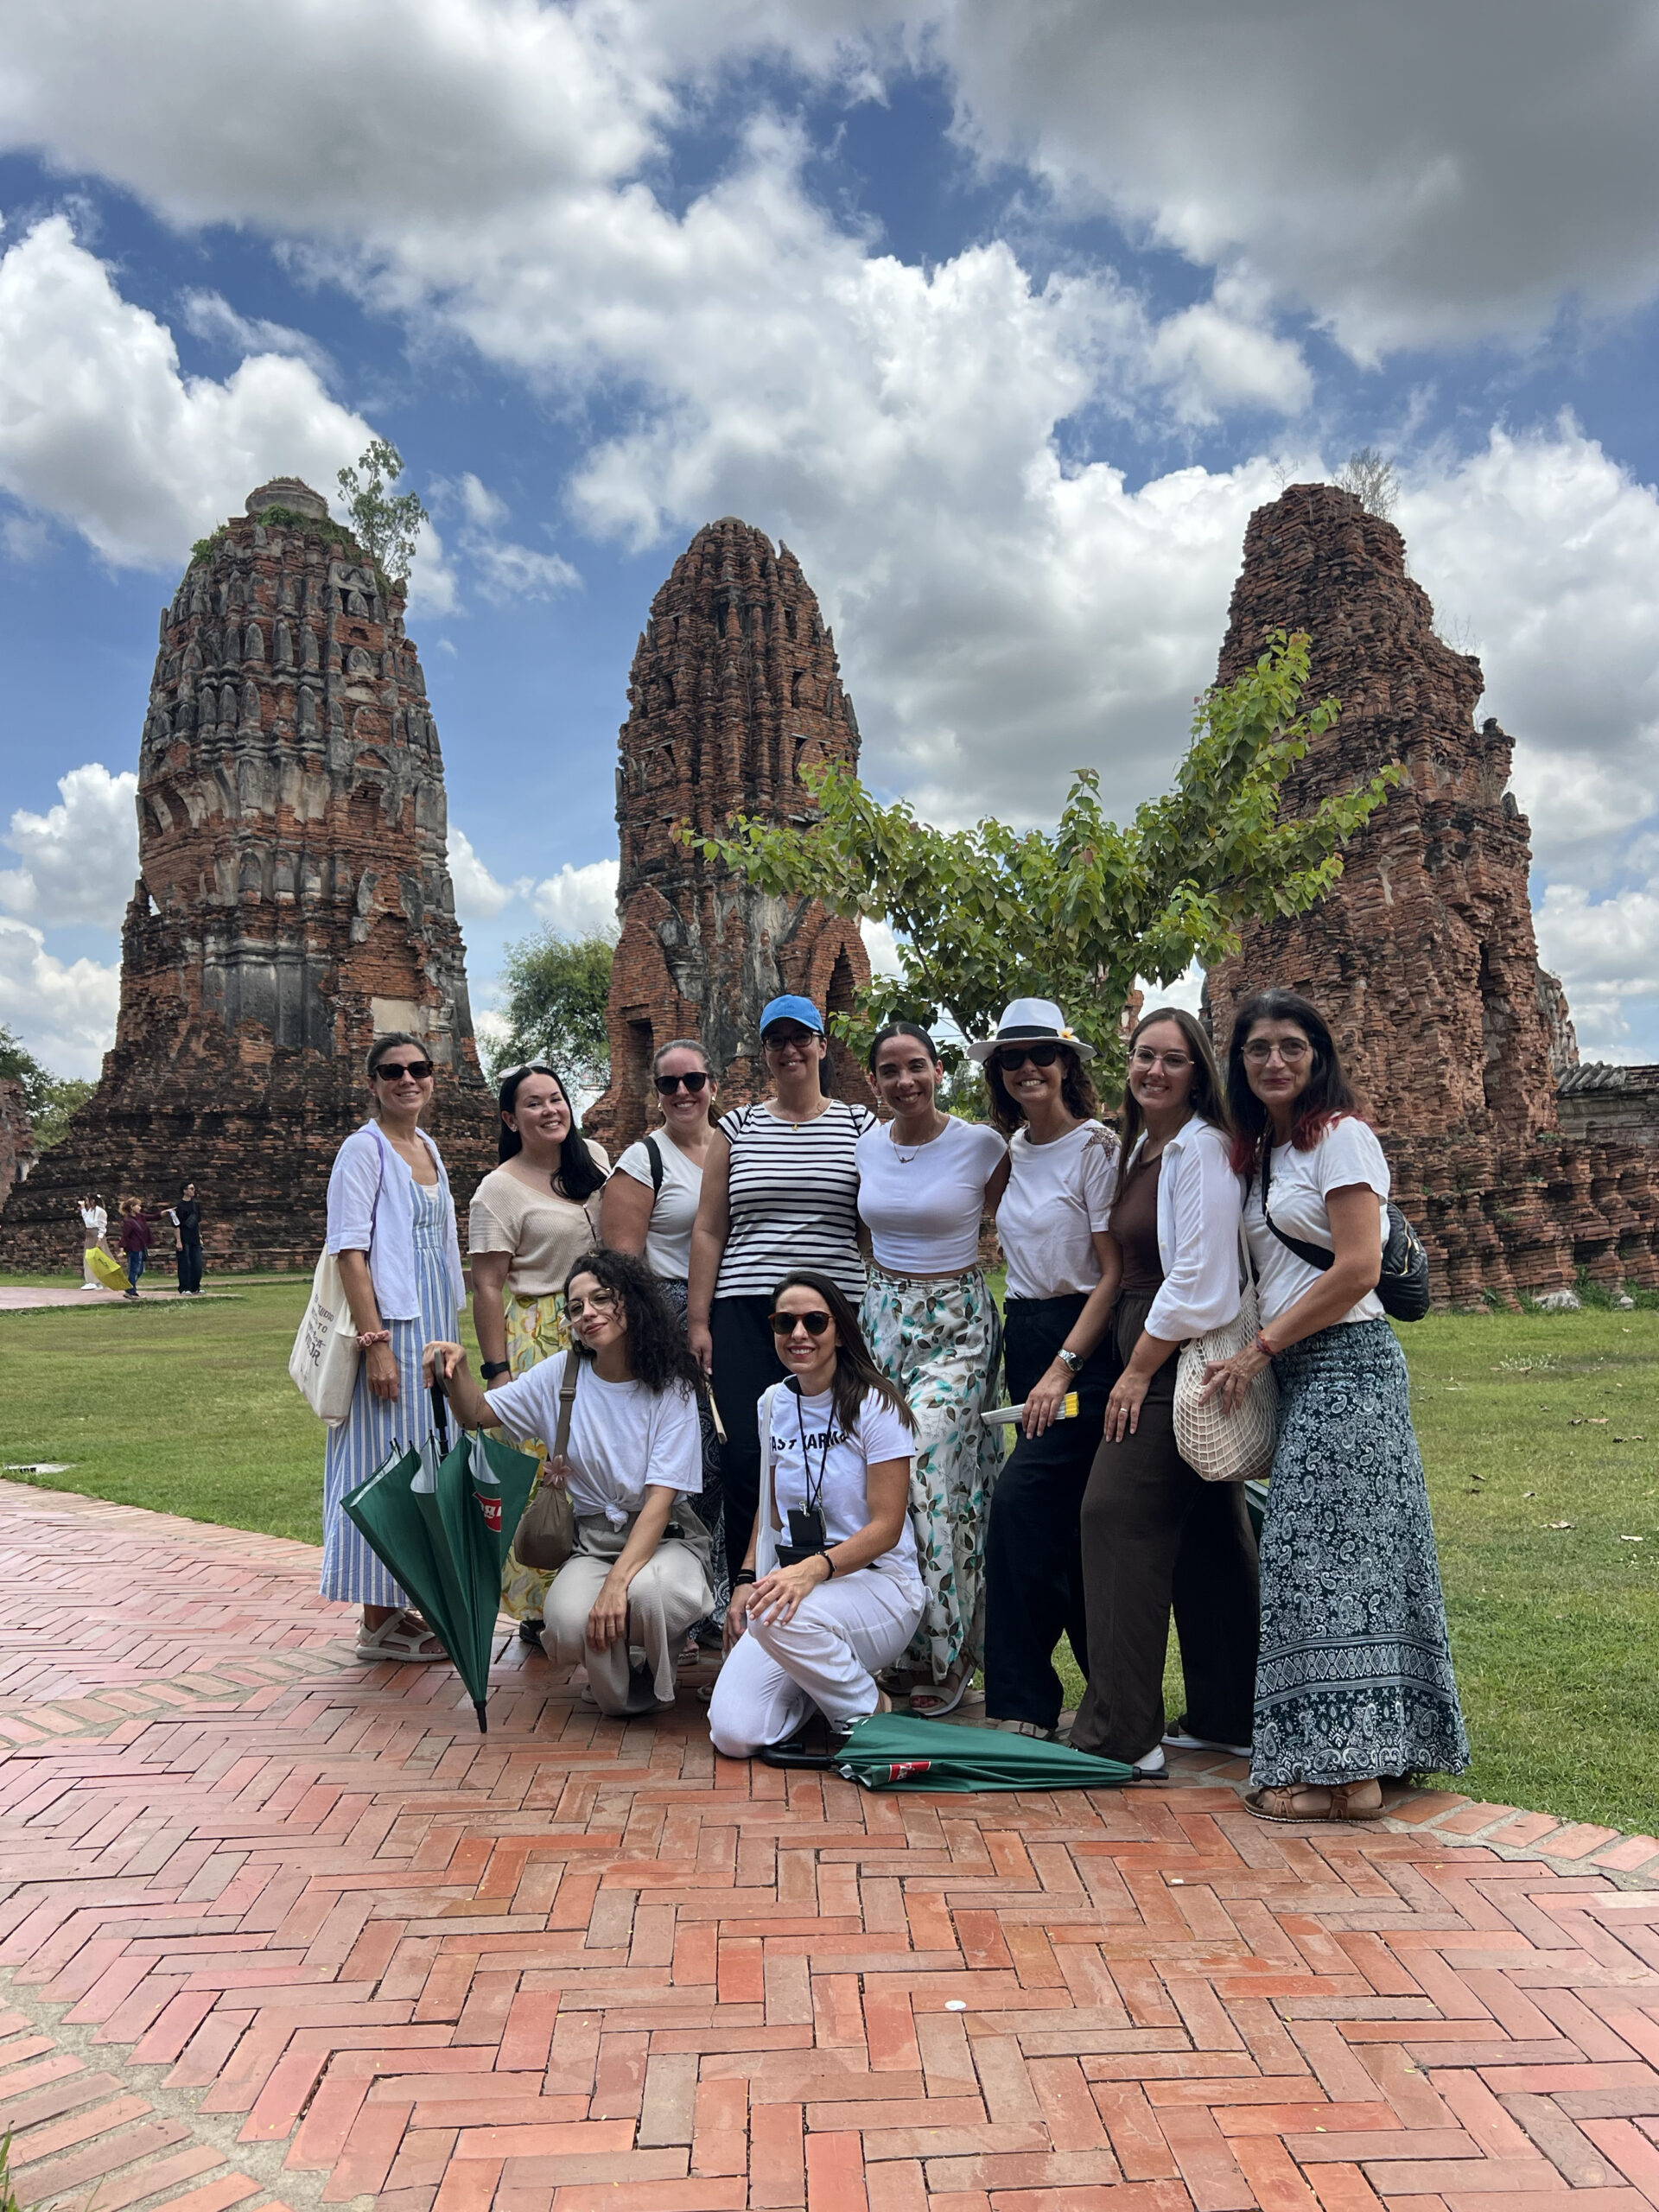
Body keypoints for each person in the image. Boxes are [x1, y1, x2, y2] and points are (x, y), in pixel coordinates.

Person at [1201, 988, 1468, 1821]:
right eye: (1257, 1049)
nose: (1275, 1061)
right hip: (1301, 1371)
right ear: (1239, 1064)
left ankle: (1345, 1777)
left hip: (1350, 1365)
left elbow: (1358, 1268)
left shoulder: (1341, 1138)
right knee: (1339, 1562)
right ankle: (1374, 1756)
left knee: (1323, 1563)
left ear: (1318, 1057)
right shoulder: (1264, 1153)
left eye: (1292, 1045)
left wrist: (1259, 1348)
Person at [1070, 1007, 1259, 1777]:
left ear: (1198, 1072)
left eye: (1173, 1060)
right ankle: (1230, 1713)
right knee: (1211, 1533)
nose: (1153, 1070)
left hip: (1175, 1357)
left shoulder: (1201, 1148)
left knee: (1113, 1516)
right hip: (1154, 1350)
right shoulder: (1145, 1146)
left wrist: (1139, 1368)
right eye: (1143, 1056)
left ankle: (1122, 1734)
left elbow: (1201, 1278)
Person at [425, 1249, 715, 1718]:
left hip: (664, 1536)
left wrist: (615, 1586)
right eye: (576, 1307)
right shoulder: (560, 1375)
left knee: (652, 1595)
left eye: (601, 1298)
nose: (588, 1313)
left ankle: (654, 1666)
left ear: (632, 1301)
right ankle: (620, 1689)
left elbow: (661, 1501)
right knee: (563, 1623)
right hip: (592, 1541)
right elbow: (478, 1413)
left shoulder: (671, 1384)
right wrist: (455, 1366)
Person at [688, 996, 877, 1586]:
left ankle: (831, 1583)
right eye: (777, 1041)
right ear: (765, 1052)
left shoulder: (859, 1125)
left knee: (834, 1447)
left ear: (822, 1044)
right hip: (748, 1308)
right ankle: (748, 1591)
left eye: (801, 1038)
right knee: (750, 1451)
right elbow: (709, 1227)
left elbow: (873, 1224)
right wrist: (698, 1321)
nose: (790, 1050)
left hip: (831, 1310)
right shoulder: (737, 1126)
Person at [973, 999, 1121, 1741]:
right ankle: (1094, 1701)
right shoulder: (1014, 1150)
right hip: (1026, 1333)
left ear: (1066, 1063)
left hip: (1082, 1342)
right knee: (1062, 1523)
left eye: (1041, 1054)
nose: (1026, 1068)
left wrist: (1065, 1366)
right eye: (1012, 1058)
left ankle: (1026, 1700)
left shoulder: (1096, 1147)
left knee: (1020, 1506)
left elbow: (1114, 1272)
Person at [855, 1022, 1007, 1717]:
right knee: (880, 1474)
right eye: (889, 1071)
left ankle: (951, 1651)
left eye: (916, 1066)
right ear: (874, 1081)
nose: (904, 1081)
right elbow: (871, 1231)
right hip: (883, 1322)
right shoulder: (867, 1146)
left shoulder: (981, 1145)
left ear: (939, 1070)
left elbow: (1019, 1219)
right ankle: (901, 1645)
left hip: (958, 1326)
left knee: (931, 1468)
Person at [708, 1270, 922, 1758]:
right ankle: (824, 1685)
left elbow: (887, 1528)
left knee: (772, 1617)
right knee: (735, 1733)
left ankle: (869, 1711)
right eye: (785, 1322)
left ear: (840, 1331)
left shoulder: (876, 1405)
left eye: (815, 1322)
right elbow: (769, 1508)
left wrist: (815, 1569)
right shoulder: (773, 1404)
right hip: (799, 1596)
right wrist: (746, 1578)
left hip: (879, 1587)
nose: (798, 1333)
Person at [321, 1032, 467, 1663]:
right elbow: (350, 1251)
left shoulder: (427, 1146)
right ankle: (376, 1620)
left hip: (432, 1321)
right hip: (392, 1328)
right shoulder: (364, 1150)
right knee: (385, 1465)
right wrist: (375, 1344)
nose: (408, 1079)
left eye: (418, 1068)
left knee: (427, 1459)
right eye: (392, 1071)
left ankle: (402, 1602)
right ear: (373, 1083)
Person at [468, 1065, 610, 1637]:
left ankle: (594, 1586)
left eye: (556, 1099)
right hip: (539, 1330)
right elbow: (487, 1286)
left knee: (597, 1457)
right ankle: (536, 1605)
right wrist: (497, 1372)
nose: (550, 1110)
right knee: (539, 1468)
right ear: (510, 1118)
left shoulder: (594, 1160)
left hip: (600, 1322)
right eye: (534, 1103)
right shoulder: (498, 1190)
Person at [601, 1036, 728, 1624]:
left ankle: (724, 1589)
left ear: (712, 1086)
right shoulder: (643, 1160)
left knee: (737, 1453)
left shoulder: (735, 1146)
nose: (682, 1092)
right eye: (668, 1083)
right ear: (656, 1094)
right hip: (670, 1315)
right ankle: (684, 1602)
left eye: (693, 1080)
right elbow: (623, 1270)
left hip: (735, 1311)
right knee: (692, 1459)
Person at [117, 1197, 153, 1298]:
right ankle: (131, 1291)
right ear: (132, 1207)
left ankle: (129, 1287)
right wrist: (121, 1250)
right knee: (134, 1269)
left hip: (141, 1246)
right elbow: (124, 1236)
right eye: (138, 1205)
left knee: (139, 1270)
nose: (140, 1208)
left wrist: (163, 1213)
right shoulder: (128, 1221)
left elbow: (153, 1217)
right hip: (133, 1248)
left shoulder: (140, 1218)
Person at [173, 1183, 205, 1295]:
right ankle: (184, 1287)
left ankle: (195, 1287)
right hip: (184, 1238)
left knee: (197, 1264)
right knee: (185, 1264)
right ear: (185, 1191)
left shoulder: (196, 1205)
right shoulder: (179, 1206)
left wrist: (200, 1237)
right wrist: (178, 1241)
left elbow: (197, 1223)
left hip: (194, 1238)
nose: (193, 1190)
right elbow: (176, 1225)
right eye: (191, 1188)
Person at [78, 1195, 109, 1288]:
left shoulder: (100, 1211)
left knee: (96, 1257)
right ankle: (92, 1281)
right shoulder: (91, 1211)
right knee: (88, 1257)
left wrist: (99, 1239)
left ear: (93, 1201)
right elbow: (87, 1221)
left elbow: (102, 1226)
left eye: (87, 1200)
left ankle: (95, 1281)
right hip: (89, 1235)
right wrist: (83, 1208)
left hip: (96, 1235)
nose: (86, 1202)